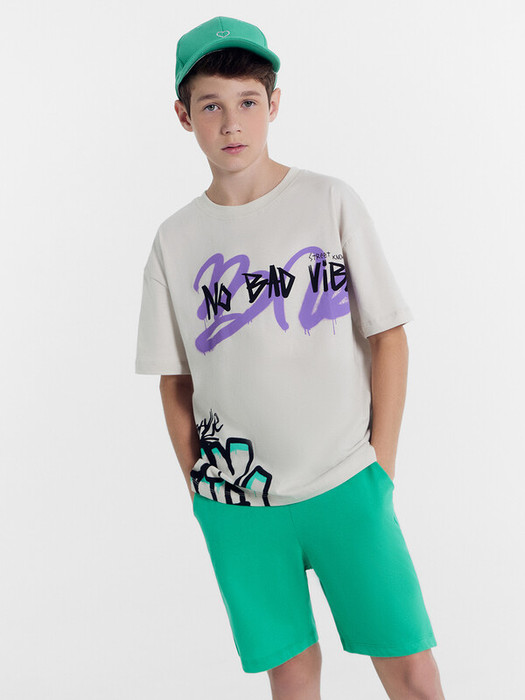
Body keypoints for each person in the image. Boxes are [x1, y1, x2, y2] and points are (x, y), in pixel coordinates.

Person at [135, 15, 445, 700]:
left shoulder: (328, 201)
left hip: (347, 482)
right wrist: (202, 497)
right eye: (210, 106)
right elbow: (174, 382)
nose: (231, 123)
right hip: (238, 503)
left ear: (274, 104)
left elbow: (388, 335)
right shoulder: (175, 240)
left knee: (412, 671)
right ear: (183, 116)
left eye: (247, 101)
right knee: (294, 676)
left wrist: (381, 469)